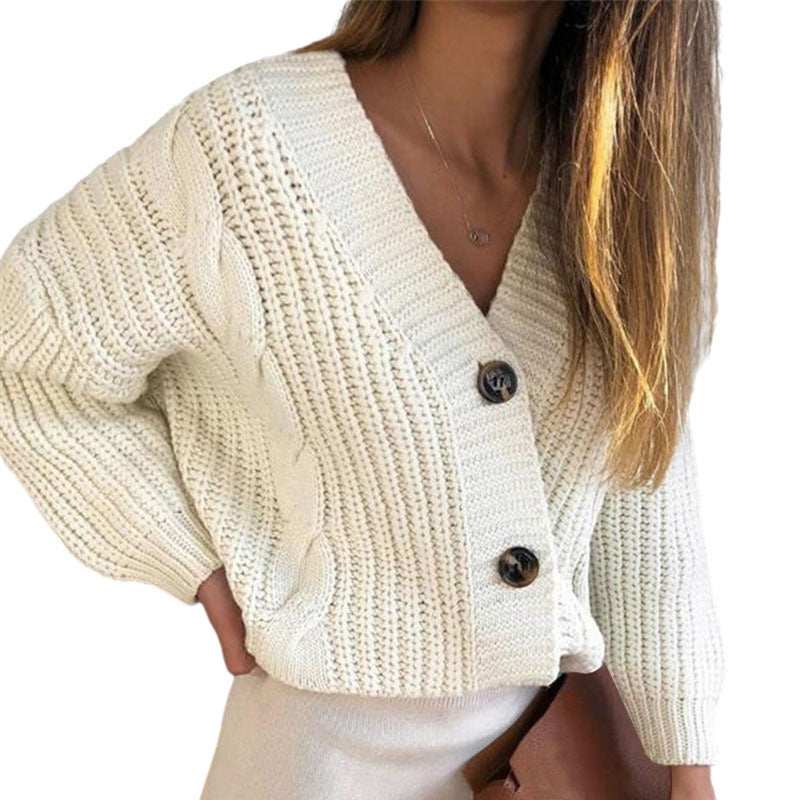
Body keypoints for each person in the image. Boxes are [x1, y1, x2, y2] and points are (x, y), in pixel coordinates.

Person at [0, 2, 725, 799]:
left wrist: (686, 763)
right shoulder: (245, 145)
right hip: (313, 769)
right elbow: (25, 349)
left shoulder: (618, 199)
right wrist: (187, 555)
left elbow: (644, 498)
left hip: (549, 766)